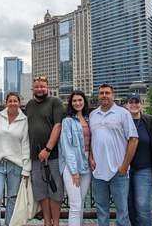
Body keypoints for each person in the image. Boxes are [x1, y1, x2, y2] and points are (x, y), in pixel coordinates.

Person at [89, 84, 139, 226]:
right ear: (98, 96)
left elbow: (133, 140)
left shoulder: (123, 113)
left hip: (118, 171)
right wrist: (90, 158)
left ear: (113, 95)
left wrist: (125, 166)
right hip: (98, 171)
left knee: (122, 212)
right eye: (101, 93)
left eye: (107, 93)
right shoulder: (93, 115)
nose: (104, 95)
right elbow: (92, 139)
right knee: (102, 210)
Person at [0, 92, 31, 226]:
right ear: (6, 103)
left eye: (15, 101)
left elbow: (26, 146)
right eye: (10, 101)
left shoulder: (24, 120)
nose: (12, 104)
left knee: (13, 200)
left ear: (19, 103)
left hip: (16, 166)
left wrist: (26, 169)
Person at [26, 76, 65, 226]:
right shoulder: (29, 104)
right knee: (41, 192)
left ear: (48, 88)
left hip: (52, 155)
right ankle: (47, 223)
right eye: (36, 87)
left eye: (42, 86)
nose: (39, 89)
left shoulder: (55, 102)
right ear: (33, 89)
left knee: (55, 191)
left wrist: (47, 149)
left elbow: (58, 126)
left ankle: (56, 223)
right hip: (35, 157)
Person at [58, 90, 91, 226]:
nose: (77, 103)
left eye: (80, 100)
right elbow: (67, 147)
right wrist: (74, 171)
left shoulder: (89, 119)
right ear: (71, 103)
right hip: (71, 165)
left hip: (86, 164)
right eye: (74, 101)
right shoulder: (68, 121)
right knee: (76, 204)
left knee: (81, 201)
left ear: (84, 102)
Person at [125, 92, 152, 226]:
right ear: (126, 105)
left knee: (143, 206)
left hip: (144, 168)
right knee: (129, 206)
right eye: (131, 102)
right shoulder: (121, 121)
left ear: (140, 104)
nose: (134, 105)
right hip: (124, 170)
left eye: (136, 102)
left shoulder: (149, 121)